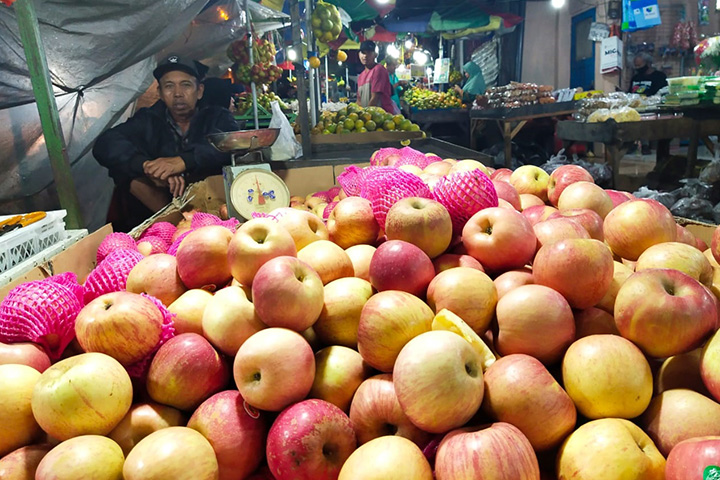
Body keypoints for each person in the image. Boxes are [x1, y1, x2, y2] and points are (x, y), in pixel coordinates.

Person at [93, 54, 239, 232]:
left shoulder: (216, 117)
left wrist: (183, 161)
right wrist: (147, 167)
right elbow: (105, 144)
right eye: (169, 86)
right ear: (160, 93)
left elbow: (231, 142)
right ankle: (174, 224)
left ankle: (187, 224)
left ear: (199, 91)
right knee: (123, 171)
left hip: (212, 209)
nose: (178, 94)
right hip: (158, 210)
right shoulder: (147, 119)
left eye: (186, 85)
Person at [628, 53, 667, 154]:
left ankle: (648, 146)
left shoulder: (659, 77)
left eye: (639, 66)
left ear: (648, 64)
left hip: (653, 109)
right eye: (635, 66)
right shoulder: (635, 78)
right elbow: (630, 93)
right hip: (637, 108)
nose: (637, 68)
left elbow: (663, 93)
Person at [357, 41, 398, 114]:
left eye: (369, 53)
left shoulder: (379, 69)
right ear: (359, 54)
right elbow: (359, 101)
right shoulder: (361, 76)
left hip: (383, 117)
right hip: (368, 118)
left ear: (375, 55)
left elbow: (375, 98)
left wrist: (364, 115)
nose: (365, 56)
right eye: (363, 53)